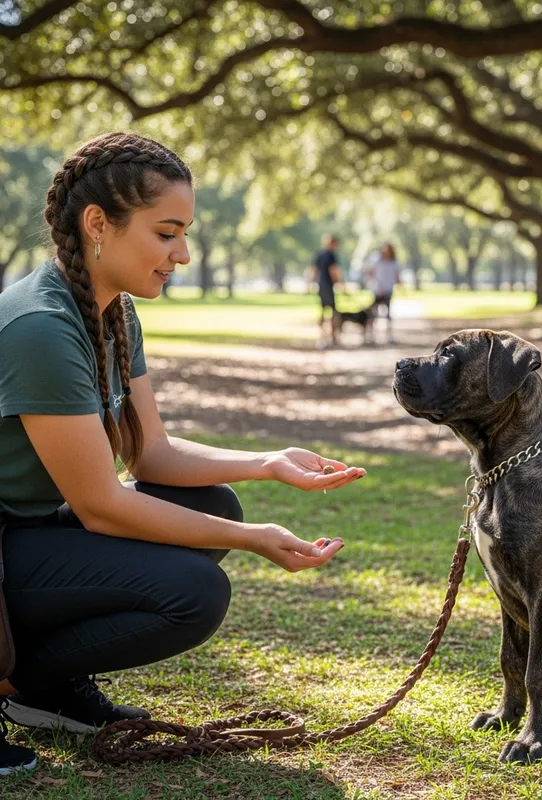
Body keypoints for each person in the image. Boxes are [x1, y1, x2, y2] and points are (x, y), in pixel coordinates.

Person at [0, 132, 366, 776]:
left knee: (212, 500)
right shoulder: (41, 326)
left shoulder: (114, 313)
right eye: (167, 233)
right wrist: (251, 537)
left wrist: (268, 461)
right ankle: (23, 679)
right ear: (98, 225)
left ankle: (42, 684)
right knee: (195, 592)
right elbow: (102, 507)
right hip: (10, 542)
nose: (184, 254)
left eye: (184, 233)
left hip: (36, 528)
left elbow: (152, 456)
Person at [312, 234, 344, 349]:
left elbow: (314, 271)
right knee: (333, 312)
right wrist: (340, 284)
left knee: (323, 311)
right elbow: (333, 271)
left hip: (321, 286)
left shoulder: (319, 254)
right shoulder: (331, 256)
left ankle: (322, 336)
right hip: (328, 287)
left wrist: (311, 283)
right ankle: (332, 337)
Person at [366, 242, 401, 345]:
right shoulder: (376, 260)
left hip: (388, 290)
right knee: (373, 314)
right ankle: (371, 335)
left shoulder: (393, 262)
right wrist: (375, 285)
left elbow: (396, 275)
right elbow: (371, 272)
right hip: (377, 291)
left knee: (388, 315)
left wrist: (399, 284)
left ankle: (389, 336)